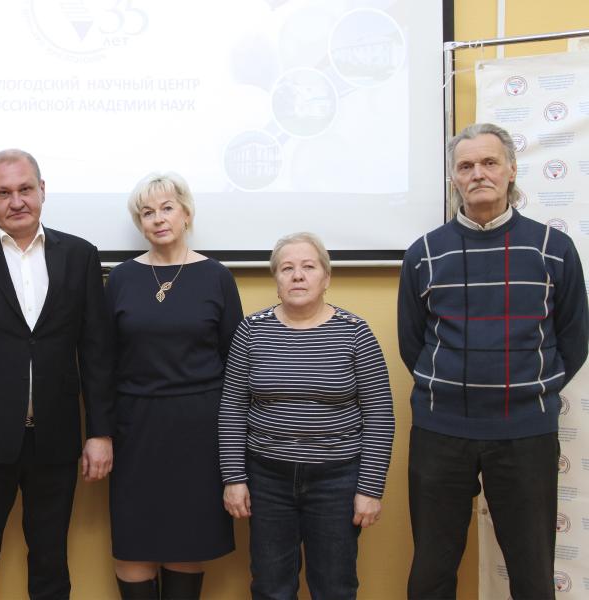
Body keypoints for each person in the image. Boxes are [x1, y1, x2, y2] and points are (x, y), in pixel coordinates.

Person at [399, 122, 588, 599]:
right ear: (453, 178)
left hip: (525, 432)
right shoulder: (423, 254)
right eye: (465, 166)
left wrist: (531, 389)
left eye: (489, 162)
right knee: (431, 570)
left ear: (511, 170)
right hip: (441, 431)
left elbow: (574, 339)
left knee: (532, 572)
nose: (478, 174)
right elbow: (412, 342)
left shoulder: (554, 249)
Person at [0, 148, 114, 599]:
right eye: (3, 193)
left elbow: (96, 352)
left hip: (56, 435)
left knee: (51, 562)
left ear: (42, 190)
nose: (16, 202)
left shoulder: (80, 255)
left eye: (25, 189)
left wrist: (100, 432)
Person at [220, 232, 395, 600]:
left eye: (308, 267)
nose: (297, 275)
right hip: (267, 479)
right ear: (276, 280)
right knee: (270, 587)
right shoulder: (251, 331)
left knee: (334, 587)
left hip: (337, 480)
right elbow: (233, 408)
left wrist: (369, 489)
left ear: (326, 278)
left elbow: (380, 415)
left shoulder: (355, 332)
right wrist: (234, 478)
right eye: (287, 268)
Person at [106, 172, 241, 599]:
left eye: (167, 208)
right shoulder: (121, 279)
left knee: (186, 544)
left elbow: (235, 365)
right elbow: (104, 362)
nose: (158, 219)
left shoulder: (217, 277)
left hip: (199, 430)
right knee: (134, 545)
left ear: (186, 213)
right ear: (140, 223)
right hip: (135, 429)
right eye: (147, 212)